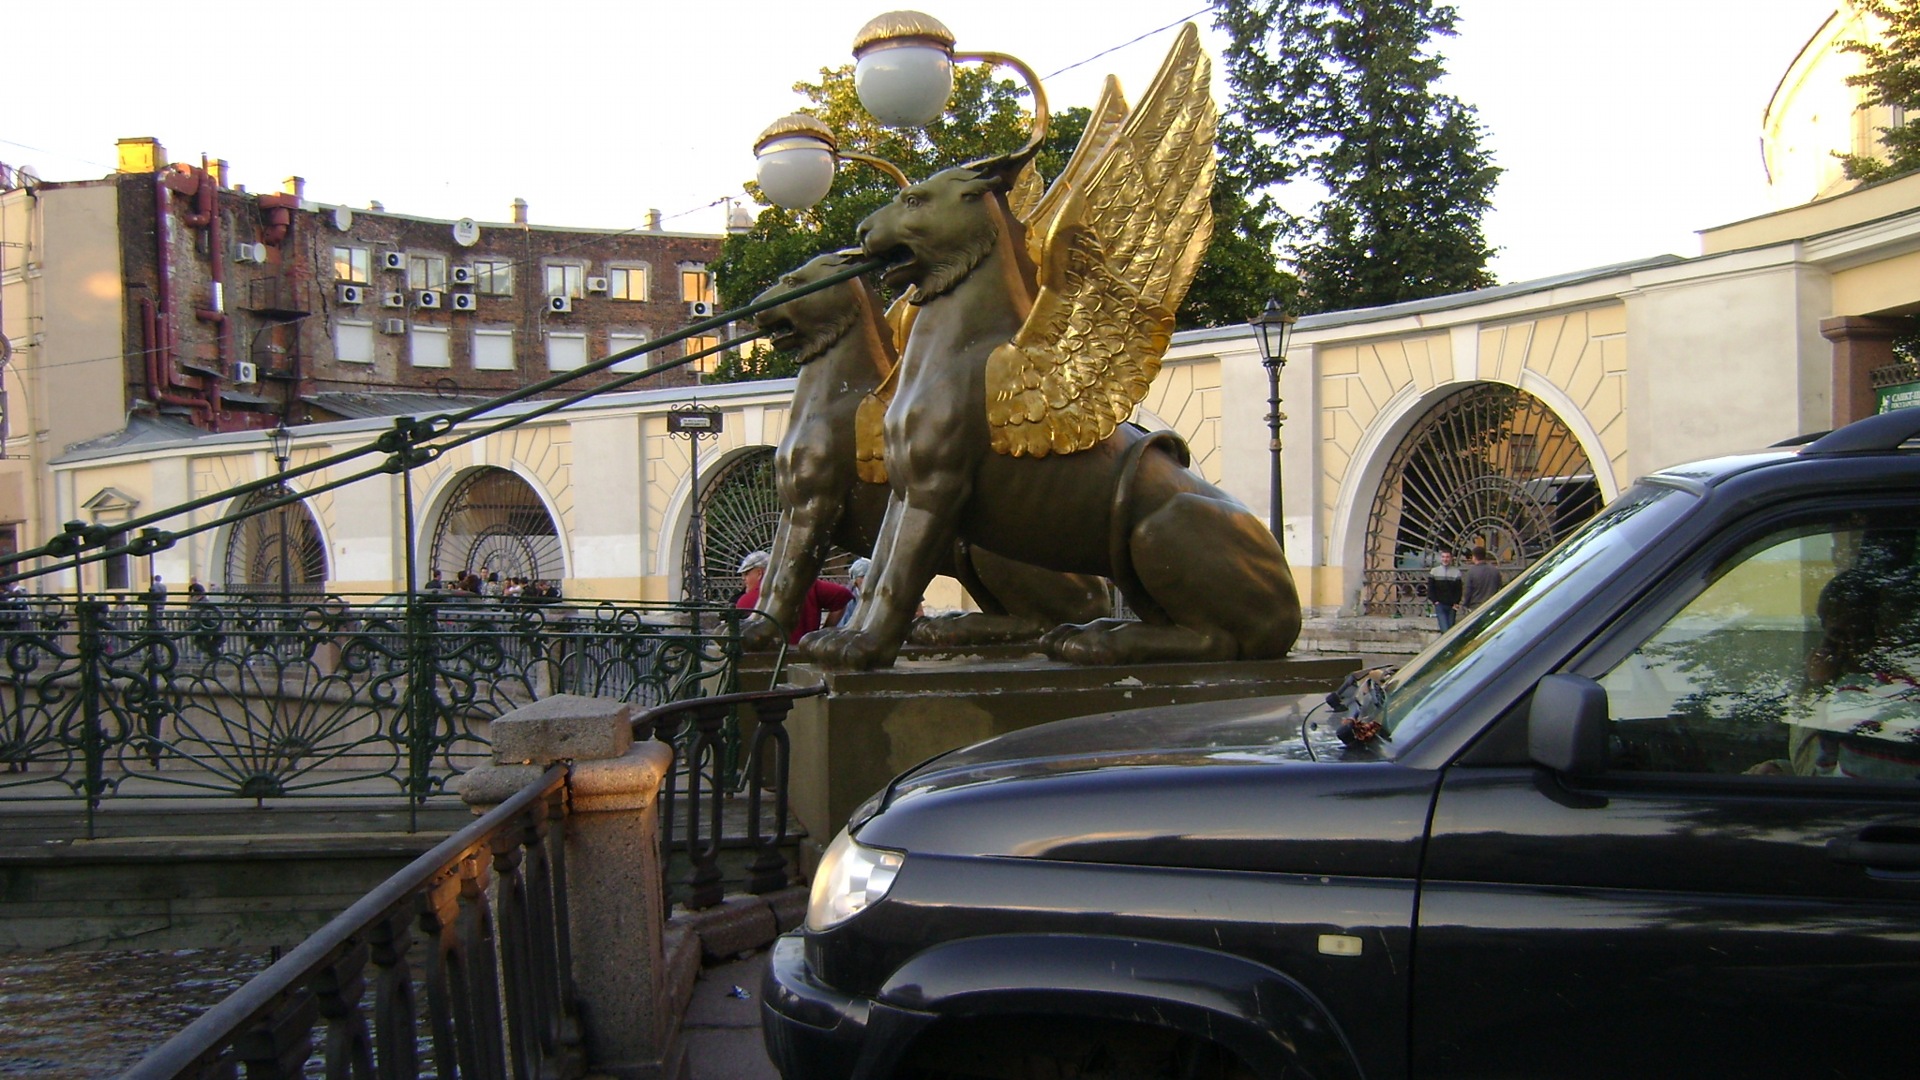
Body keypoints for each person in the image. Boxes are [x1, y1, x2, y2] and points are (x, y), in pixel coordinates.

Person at [734, 550, 852, 645]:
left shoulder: (747, 600)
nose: (743, 579)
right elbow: (842, 595)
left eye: (746, 573)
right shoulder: (807, 585)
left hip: (771, 658)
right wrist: (823, 633)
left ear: (759, 573)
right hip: (805, 652)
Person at [1427, 550, 1464, 631]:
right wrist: (1435, 601)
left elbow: (1458, 590)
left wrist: (1456, 602)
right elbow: (1431, 588)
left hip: (1452, 605)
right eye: (1443, 557)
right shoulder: (1434, 571)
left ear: (1451, 558)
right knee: (1445, 628)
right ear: (1441, 558)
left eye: (1447, 557)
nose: (1445, 559)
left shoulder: (1456, 572)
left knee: (1451, 628)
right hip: (1440, 604)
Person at [1460, 546, 1503, 613]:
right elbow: (1499, 586)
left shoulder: (1471, 572)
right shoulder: (1495, 570)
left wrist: (1465, 604)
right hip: (1492, 604)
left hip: (1476, 606)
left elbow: (1468, 591)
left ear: (1474, 557)